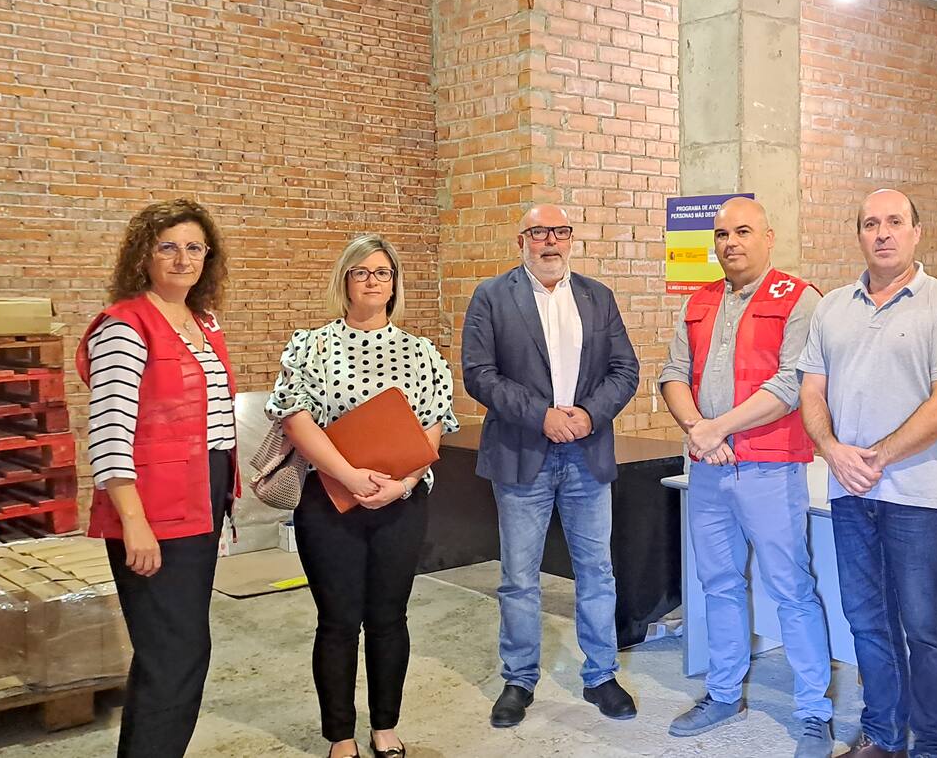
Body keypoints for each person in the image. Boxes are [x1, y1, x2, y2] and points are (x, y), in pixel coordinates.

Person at [798, 189, 937, 758]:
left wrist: (876, 456)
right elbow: (811, 390)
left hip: (917, 498)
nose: (882, 233)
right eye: (870, 223)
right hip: (850, 493)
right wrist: (831, 449)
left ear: (916, 232)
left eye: (895, 222)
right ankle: (881, 736)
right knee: (866, 623)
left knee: (925, 631)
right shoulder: (832, 307)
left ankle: (931, 747)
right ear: (859, 235)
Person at [266, 234, 458, 758]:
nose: (372, 281)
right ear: (345, 281)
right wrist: (349, 476)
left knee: (390, 618)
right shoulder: (312, 345)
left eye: (382, 273)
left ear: (394, 284)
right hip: (329, 502)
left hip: (401, 503)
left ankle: (385, 727)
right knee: (338, 622)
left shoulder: (422, 352)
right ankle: (340, 736)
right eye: (361, 272)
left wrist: (404, 483)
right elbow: (296, 418)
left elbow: (433, 427)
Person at [658, 197, 834, 755]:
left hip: (770, 468)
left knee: (792, 590)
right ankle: (723, 693)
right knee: (719, 585)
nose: (730, 243)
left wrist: (716, 429)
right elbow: (672, 373)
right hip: (709, 472)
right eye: (721, 234)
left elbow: (790, 385)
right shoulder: (699, 301)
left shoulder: (799, 298)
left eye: (742, 232)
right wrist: (698, 430)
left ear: (768, 237)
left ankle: (814, 711)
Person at [461, 204, 640, 728]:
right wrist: (541, 415)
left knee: (597, 573)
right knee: (519, 577)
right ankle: (519, 679)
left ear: (570, 239)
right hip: (522, 454)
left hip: (587, 452)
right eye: (539, 232)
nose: (550, 242)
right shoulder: (492, 296)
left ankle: (601, 675)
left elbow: (625, 369)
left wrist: (588, 414)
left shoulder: (597, 296)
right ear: (521, 241)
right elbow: (478, 374)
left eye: (559, 232)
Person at [76, 198, 238, 758]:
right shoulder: (125, 326)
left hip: (201, 498)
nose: (182, 258)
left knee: (175, 651)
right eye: (167, 246)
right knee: (174, 655)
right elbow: (109, 433)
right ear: (143, 255)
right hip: (153, 508)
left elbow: (210, 423)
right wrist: (134, 523)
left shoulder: (203, 323)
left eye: (194, 247)